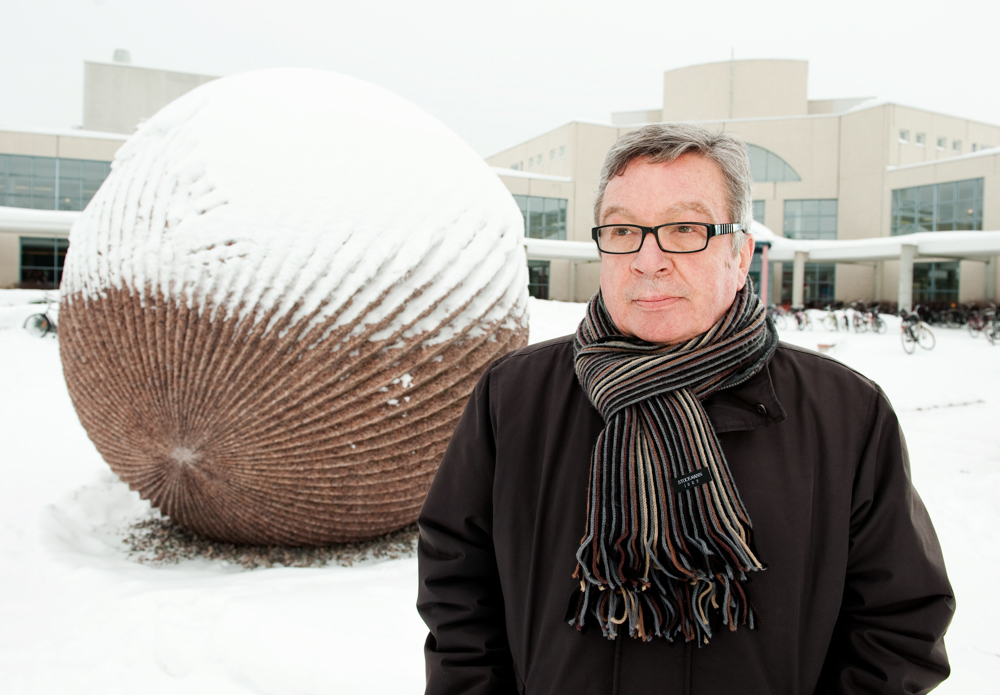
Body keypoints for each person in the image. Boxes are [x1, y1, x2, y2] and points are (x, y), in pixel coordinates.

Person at [417, 123, 954, 694]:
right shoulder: (514, 398)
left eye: (684, 229)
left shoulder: (846, 415)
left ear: (740, 253)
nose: (648, 259)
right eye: (623, 230)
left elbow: (897, 624)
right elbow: (459, 592)